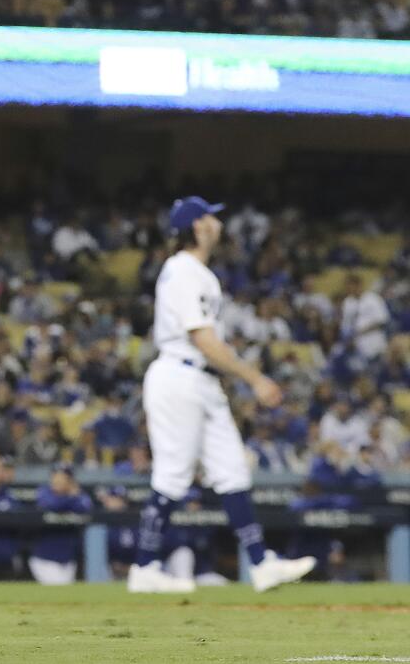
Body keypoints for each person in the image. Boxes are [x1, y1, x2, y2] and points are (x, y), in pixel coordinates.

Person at [127, 197, 316, 594]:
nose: (217, 222)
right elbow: (202, 338)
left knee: (232, 470)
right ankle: (144, 567)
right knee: (174, 476)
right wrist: (254, 378)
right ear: (197, 226)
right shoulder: (181, 270)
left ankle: (262, 563)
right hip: (179, 374)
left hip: (202, 380)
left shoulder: (201, 273)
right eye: (209, 216)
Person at [29, 464, 93, 586]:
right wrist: (71, 497)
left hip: (68, 559)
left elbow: (85, 506)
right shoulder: (44, 492)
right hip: (44, 558)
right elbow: (52, 505)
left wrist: (71, 498)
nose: (58, 480)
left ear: (70, 480)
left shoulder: (80, 495)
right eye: (55, 476)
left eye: (62, 477)